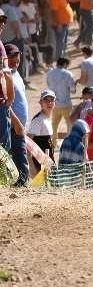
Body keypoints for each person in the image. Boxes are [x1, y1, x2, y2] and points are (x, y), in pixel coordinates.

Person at [5, 43, 29, 185]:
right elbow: (6, 102)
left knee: (20, 163)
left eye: (17, 55)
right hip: (13, 126)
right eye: (11, 56)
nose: (15, 59)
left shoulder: (17, 74)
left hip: (19, 126)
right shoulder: (5, 75)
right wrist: (16, 122)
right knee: (20, 165)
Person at [26, 90, 55, 177]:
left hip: (47, 164)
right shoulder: (38, 120)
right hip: (39, 166)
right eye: (46, 100)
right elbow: (28, 144)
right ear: (40, 103)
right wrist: (31, 166)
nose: (49, 103)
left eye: (51, 100)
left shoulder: (47, 118)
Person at [46, 56, 75, 136]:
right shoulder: (68, 74)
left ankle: (52, 144)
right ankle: (69, 144)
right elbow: (73, 90)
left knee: (54, 125)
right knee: (70, 124)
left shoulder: (50, 73)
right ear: (65, 64)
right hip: (66, 104)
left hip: (54, 103)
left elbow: (48, 85)